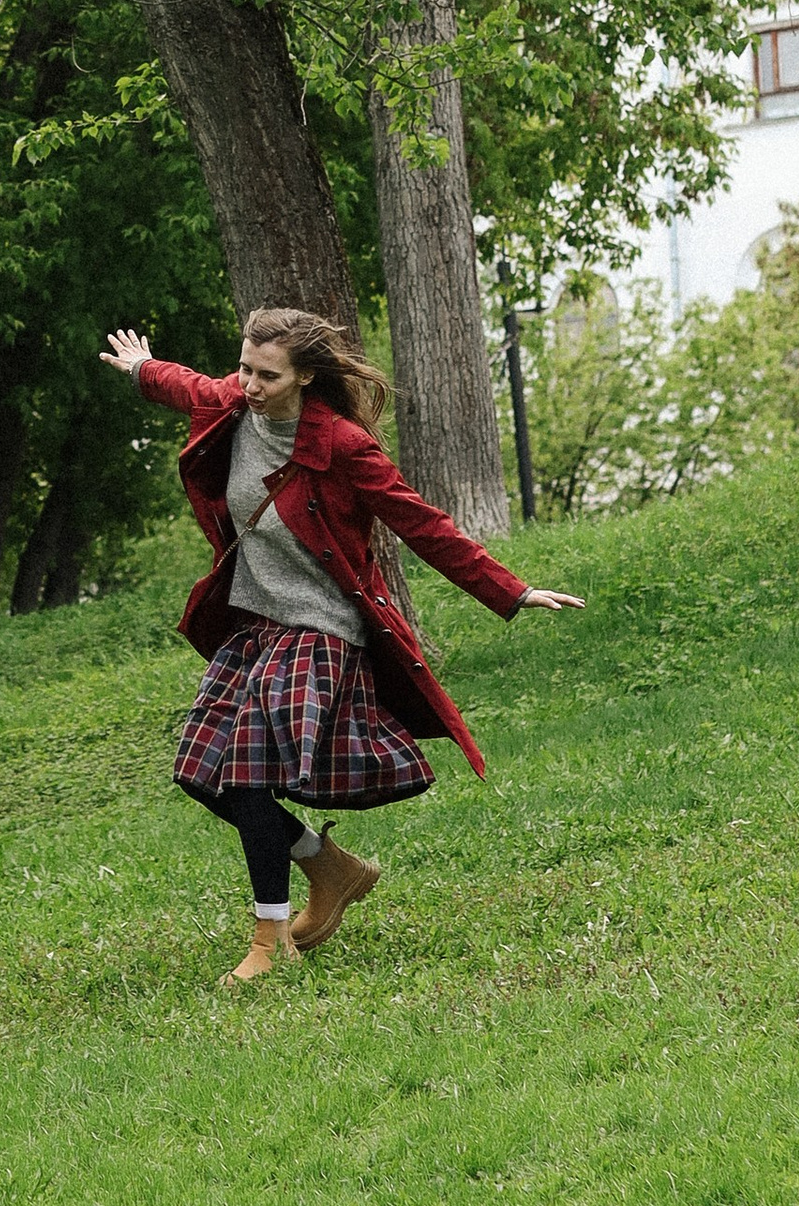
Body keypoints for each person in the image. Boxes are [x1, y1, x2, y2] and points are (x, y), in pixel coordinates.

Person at [101, 307, 581, 981]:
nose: (249, 383)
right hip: (254, 623)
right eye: (244, 367)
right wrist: (139, 368)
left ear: (304, 375)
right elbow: (184, 384)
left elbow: (422, 523)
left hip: (320, 627)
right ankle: (330, 867)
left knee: (243, 772)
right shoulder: (233, 404)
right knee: (201, 773)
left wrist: (512, 590)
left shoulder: (343, 444)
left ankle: (270, 939)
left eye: (268, 374)